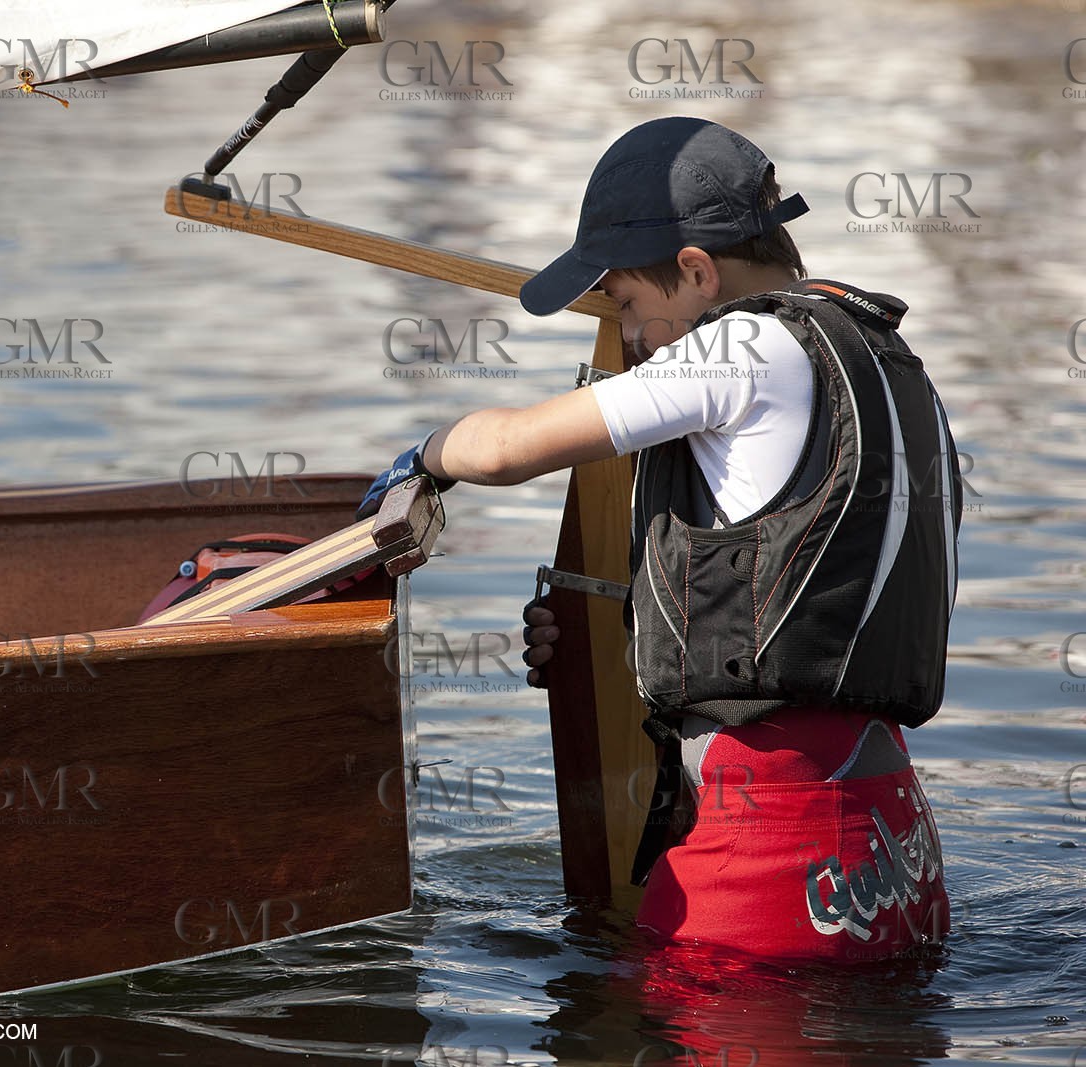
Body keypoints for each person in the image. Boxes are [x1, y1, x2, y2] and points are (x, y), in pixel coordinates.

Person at [357, 116, 960, 961]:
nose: (628, 338)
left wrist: (417, 461)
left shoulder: (743, 344)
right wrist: (601, 630)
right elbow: (783, 579)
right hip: (894, 851)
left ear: (696, 271)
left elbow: (503, 445)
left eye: (628, 304)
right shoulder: (894, 363)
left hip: (774, 864)